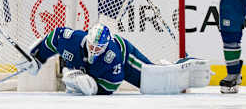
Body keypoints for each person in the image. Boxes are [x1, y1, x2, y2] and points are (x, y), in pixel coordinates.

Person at [26, 24, 211, 95]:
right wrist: (37, 57)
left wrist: (93, 86)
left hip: (126, 58)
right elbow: (52, 39)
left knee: (153, 80)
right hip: (95, 70)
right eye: (92, 45)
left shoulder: (111, 55)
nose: (94, 50)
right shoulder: (71, 39)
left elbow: (112, 86)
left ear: (105, 46)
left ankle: (181, 64)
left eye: (99, 47)